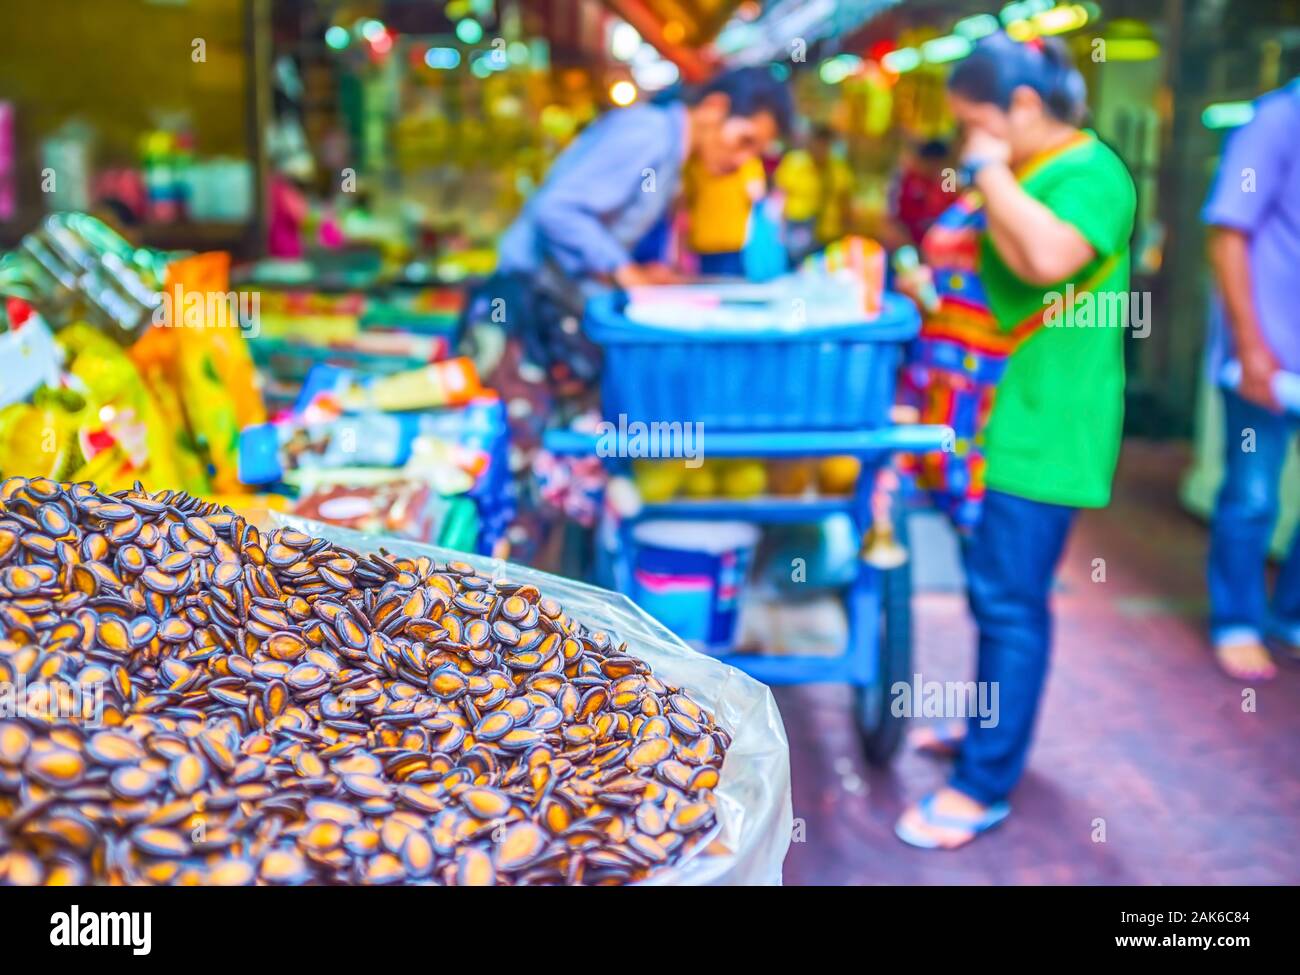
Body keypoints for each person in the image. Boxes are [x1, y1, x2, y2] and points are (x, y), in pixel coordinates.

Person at [893, 33, 1136, 850]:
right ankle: (988, 735)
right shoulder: (1032, 171)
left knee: (1010, 604)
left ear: (1022, 110)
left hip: (1035, 433)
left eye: (976, 124)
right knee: (991, 597)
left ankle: (984, 784)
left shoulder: (1091, 174)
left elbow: (1041, 258)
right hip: (980, 433)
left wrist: (989, 165)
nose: (968, 141)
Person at [487, 67, 792, 389]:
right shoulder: (651, 134)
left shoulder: (671, 152)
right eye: (745, 141)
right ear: (714, 107)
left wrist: (640, 273)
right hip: (525, 310)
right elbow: (556, 209)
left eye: (755, 152)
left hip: (548, 309)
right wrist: (625, 272)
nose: (742, 160)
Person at [1202, 78, 1300, 681]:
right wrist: (1251, 345)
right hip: (1268, 358)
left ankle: (1289, 616)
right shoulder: (1276, 120)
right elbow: (1227, 235)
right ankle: (1235, 619)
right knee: (1253, 494)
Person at [774, 125, 853, 263]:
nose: (820, 149)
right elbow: (780, 197)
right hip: (797, 231)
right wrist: (779, 227)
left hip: (828, 236)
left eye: (825, 145)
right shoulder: (794, 163)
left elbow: (845, 205)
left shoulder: (838, 170)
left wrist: (846, 234)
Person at [683, 152, 766, 276]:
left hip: (702, 238)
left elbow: (683, 196)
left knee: (708, 286)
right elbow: (756, 193)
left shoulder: (696, 161)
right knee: (732, 288)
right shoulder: (746, 160)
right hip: (733, 238)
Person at [886, 139, 957, 248]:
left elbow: (954, 214)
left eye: (938, 163)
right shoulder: (907, 180)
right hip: (908, 245)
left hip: (941, 246)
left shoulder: (948, 180)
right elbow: (893, 220)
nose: (934, 167)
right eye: (930, 162)